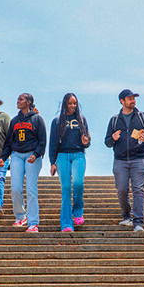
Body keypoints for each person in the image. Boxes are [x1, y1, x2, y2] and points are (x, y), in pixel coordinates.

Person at [104, 89, 144, 232]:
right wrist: (112, 139)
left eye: (133, 98)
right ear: (122, 101)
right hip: (120, 160)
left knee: (138, 190)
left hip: (139, 159)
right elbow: (107, 142)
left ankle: (138, 222)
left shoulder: (142, 117)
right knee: (122, 190)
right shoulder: (114, 120)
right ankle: (127, 216)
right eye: (129, 98)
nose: (132, 101)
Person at [0, 93, 46, 233]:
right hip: (17, 155)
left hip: (32, 156)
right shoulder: (14, 121)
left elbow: (42, 142)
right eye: (17, 99)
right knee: (15, 188)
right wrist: (3, 157)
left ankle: (33, 223)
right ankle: (20, 216)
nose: (18, 101)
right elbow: (8, 143)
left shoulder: (37, 119)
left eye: (21, 99)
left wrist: (36, 154)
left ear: (29, 102)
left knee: (31, 189)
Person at [50, 93, 91, 232]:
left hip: (78, 155)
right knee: (66, 188)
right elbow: (52, 143)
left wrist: (86, 142)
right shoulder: (57, 121)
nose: (73, 106)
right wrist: (52, 162)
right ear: (65, 104)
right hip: (62, 156)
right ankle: (66, 224)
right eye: (70, 103)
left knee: (78, 183)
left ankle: (78, 211)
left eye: (75, 103)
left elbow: (87, 141)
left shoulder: (82, 119)